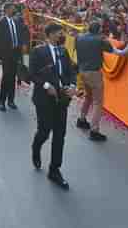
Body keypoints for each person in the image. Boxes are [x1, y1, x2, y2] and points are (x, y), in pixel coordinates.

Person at [29, 23, 75, 190]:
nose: (60, 36)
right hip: (44, 100)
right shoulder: (38, 51)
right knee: (44, 131)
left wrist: (72, 86)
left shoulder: (63, 51)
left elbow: (71, 72)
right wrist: (47, 86)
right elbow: (32, 74)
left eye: (61, 33)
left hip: (61, 101)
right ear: (49, 35)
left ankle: (54, 170)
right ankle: (36, 146)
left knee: (60, 135)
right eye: (57, 33)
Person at [75, 21, 128, 141]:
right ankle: (94, 130)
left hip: (82, 71)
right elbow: (120, 52)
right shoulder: (100, 40)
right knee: (98, 102)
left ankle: (82, 119)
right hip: (94, 73)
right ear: (99, 30)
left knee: (88, 97)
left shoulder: (79, 38)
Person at [0, 3, 22, 111]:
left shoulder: (16, 21)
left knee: (13, 77)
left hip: (15, 53)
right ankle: (2, 101)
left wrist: (20, 54)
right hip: (6, 54)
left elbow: (19, 36)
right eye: (12, 8)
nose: (14, 10)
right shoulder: (1, 22)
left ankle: (11, 100)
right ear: (6, 10)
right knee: (6, 77)